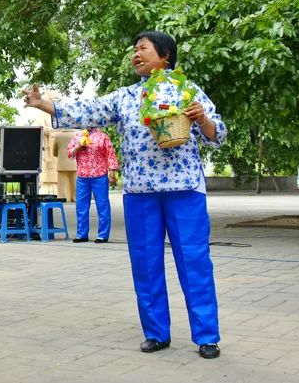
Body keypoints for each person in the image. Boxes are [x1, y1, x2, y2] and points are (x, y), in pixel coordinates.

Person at [23, 30, 226, 359]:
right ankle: (157, 333)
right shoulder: (125, 97)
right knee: (145, 265)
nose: (136, 53)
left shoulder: (186, 89)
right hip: (140, 192)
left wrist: (201, 118)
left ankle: (206, 336)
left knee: (195, 263)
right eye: (134, 49)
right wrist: (43, 104)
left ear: (165, 56)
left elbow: (217, 133)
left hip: (184, 190)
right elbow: (89, 110)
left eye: (143, 48)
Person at [67, 128, 119, 243]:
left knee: (102, 205)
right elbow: (70, 154)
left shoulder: (102, 136)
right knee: (81, 206)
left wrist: (112, 172)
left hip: (99, 175)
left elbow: (110, 154)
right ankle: (82, 234)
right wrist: (78, 147)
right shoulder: (77, 136)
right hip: (82, 177)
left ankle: (103, 235)